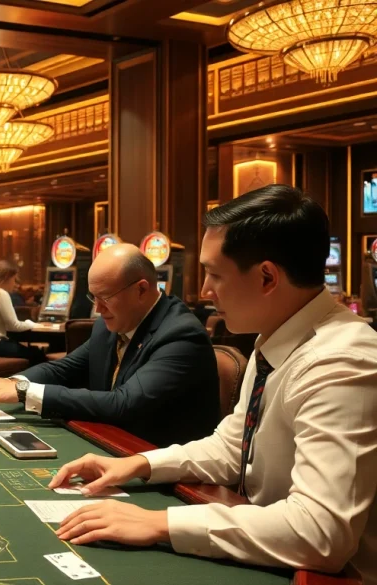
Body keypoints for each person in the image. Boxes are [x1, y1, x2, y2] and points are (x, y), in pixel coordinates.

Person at [47, 185, 377, 583]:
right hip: (268, 546)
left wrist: (160, 524)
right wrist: (138, 464)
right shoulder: (275, 339)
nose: (203, 290)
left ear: (267, 277)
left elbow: (321, 533)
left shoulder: (342, 362)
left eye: (214, 274)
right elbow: (231, 447)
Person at [0, 243, 219, 447]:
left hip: (164, 468)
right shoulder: (109, 325)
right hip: (110, 444)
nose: (97, 309)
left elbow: (123, 404)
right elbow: (64, 369)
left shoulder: (181, 335)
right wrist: (14, 382)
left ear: (141, 290)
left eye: (105, 297)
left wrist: (24, 392)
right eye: (93, 297)